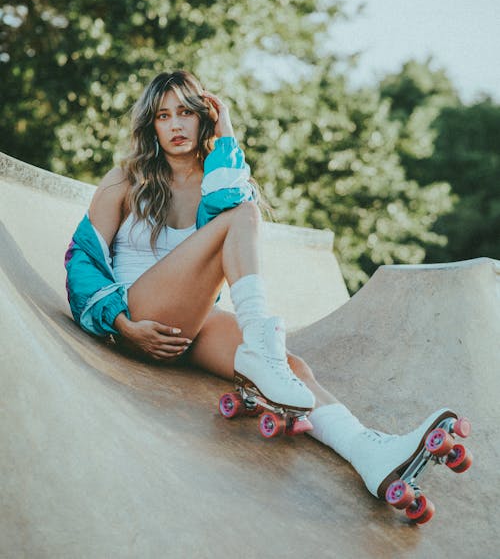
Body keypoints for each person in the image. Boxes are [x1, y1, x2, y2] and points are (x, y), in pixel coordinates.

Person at [65, 68, 461, 503]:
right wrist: (122, 325)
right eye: (163, 115)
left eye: (185, 112)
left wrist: (228, 131)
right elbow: (81, 261)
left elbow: (235, 204)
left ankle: (368, 451)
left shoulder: (214, 181)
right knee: (244, 216)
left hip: (189, 325)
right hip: (135, 315)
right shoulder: (126, 180)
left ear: (204, 116)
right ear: (151, 125)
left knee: (292, 368)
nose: (176, 125)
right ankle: (260, 345)